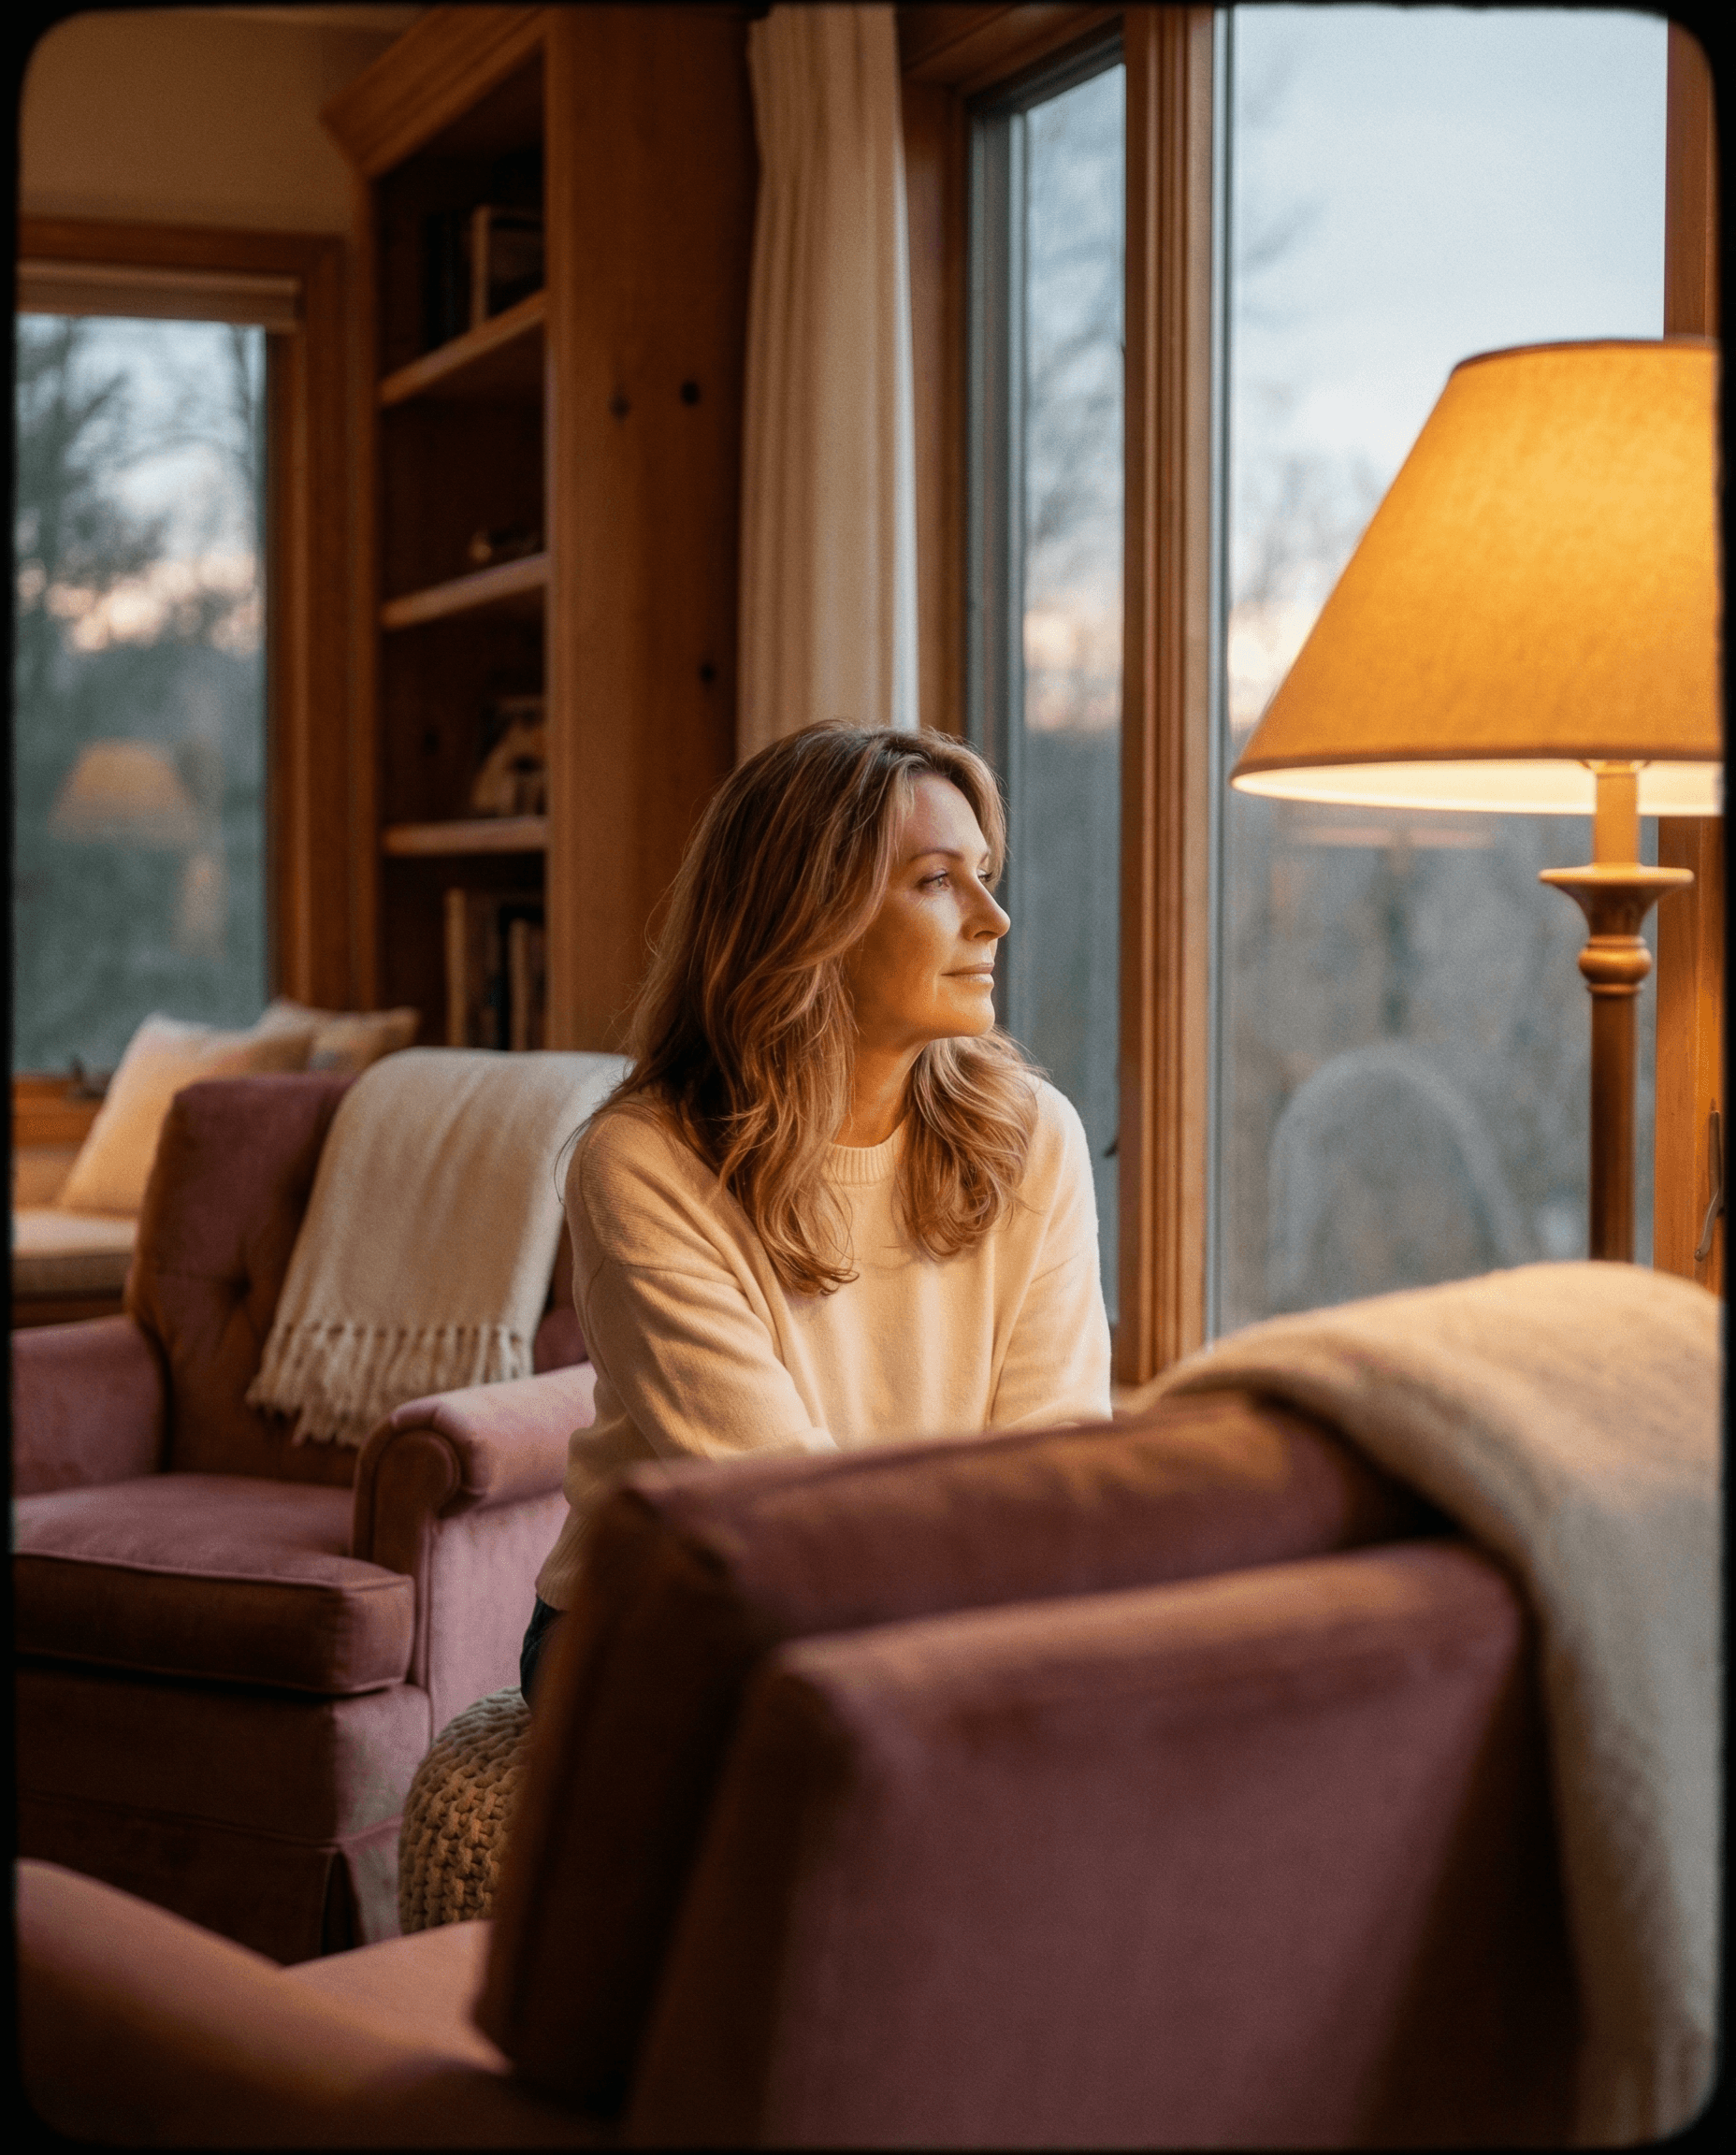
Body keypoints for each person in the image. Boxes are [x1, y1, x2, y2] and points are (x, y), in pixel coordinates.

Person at [520, 722, 1112, 1699]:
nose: (993, 917)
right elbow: (781, 1514)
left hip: (940, 1606)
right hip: (675, 1622)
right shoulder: (643, 1162)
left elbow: (1053, 1468)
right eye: (935, 880)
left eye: (983, 873)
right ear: (806, 919)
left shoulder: (1031, 1137)